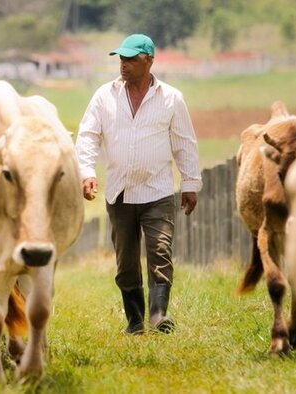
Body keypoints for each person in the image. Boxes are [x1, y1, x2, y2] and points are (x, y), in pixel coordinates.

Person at [75, 34, 202, 335]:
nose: (124, 65)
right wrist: (87, 171)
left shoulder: (171, 98)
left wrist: (190, 183)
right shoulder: (104, 96)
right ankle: (135, 322)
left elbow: (184, 143)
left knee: (160, 251)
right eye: (121, 59)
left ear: (149, 61)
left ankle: (158, 316)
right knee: (127, 263)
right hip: (119, 192)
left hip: (157, 191)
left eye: (131, 59)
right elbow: (88, 135)